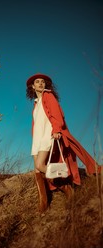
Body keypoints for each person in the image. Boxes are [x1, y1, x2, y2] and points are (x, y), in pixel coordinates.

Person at [26, 73, 101, 213]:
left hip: (48, 135)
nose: (41, 84)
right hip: (37, 138)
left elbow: (56, 114)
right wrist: (33, 136)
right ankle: (43, 203)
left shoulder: (48, 95)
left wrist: (56, 129)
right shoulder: (36, 103)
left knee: (40, 165)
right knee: (37, 171)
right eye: (37, 82)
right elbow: (36, 123)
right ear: (32, 86)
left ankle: (66, 187)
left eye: (43, 82)